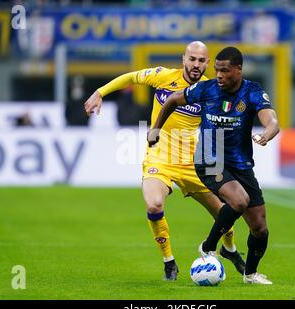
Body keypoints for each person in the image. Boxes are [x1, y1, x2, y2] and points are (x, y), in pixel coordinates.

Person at [84, 42, 246, 281]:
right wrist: (100, 92)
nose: (196, 65)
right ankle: (169, 262)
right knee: (154, 204)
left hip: (195, 161)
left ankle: (230, 250)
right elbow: (131, 77)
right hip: (160, 157)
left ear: (207, 64)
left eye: (201, 61)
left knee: (223, 211)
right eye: (192, 59)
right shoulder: (162, 77)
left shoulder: (213, 89)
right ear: (183, 59)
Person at [148, 46, 280, 285]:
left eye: (225, 71)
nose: (218, 75)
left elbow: (271, 121)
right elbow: (172, 100)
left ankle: (250, 274)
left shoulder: (252, 92)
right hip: (210, 158)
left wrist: (267, 134)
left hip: (240, 164)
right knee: (239, 200)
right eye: (217, 70)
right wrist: (156, 128)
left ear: (238, 70)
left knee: (260, 228)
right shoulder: (205, 89)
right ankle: (208, 246)